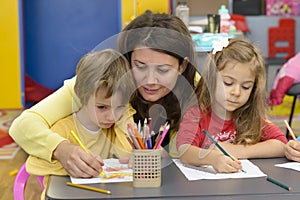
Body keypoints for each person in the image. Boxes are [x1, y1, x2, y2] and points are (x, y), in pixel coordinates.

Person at [9, 11, 199, 177]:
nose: (150, 80)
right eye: (140, 66)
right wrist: (61, 149)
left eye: (163, 70)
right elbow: (23, 125)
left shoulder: (195, 87)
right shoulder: (103, 82)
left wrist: (165, 154)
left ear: (182, 66)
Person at [25, 49, 136, 198]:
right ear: (82, 96)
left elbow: (127, 154)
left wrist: (125, 116)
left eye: (120, 107)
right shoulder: (62, 129)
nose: (112, 116)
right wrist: (74, 163)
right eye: (102, 107)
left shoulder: (113, 128)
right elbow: (33, 165)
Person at [176, 38, 288, 173]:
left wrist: (237, 150)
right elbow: (185, 151)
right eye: (228, 83)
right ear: (211, 79)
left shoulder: (249, 115)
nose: (236, 92)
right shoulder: (197, 115)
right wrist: (213, 158)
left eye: (246, 87)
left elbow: (281, 144)